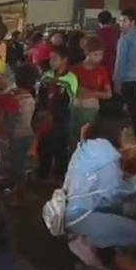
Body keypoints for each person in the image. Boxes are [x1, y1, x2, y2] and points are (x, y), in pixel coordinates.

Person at [63, 109, 136, 270]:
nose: (127, 136)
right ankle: (88, 243)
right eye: (126, 132)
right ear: (117, 131)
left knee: (126, 210)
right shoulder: (107, 156)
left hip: (70, 206)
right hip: (81, 215)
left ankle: (92, 240)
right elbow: (111, 194)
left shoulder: (89, 146)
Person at [36, 44, 78, 183]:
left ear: (64, 60)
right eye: (50, 59)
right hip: (45, 118)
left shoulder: (71, 78)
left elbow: (68, 100)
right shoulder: (46, 76)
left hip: (61, 120)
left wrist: (54, 114)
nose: (51, 62)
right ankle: (43, 173)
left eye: (55, 59)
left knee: (60, 148)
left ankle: (60, 176)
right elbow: (40, 95)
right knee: (44, 147)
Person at [113, 9, 136, 144]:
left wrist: (117, 82)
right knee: (135, 112)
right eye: (120, 21)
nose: (121, 24)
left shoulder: (125, 39)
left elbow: (120, 62)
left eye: (124, 21)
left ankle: (116, 140)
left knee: (117, 112)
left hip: (124, 80)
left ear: (133, 22)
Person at [71, 35, 113, 148]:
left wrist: (91, 94)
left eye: (101, 54)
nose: (100, 58)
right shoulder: (75, 70)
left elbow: (108, 94)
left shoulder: (102, 71)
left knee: (87, 140)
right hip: (74, 109)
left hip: (91, 111)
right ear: (87, 53)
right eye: (96, 54)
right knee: (73, 140)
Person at [95, 10, 119, 77]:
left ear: (99, 21)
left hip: (100, 64)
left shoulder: (98, 33)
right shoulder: (116, 33)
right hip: (113, 64)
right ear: (110, 20)